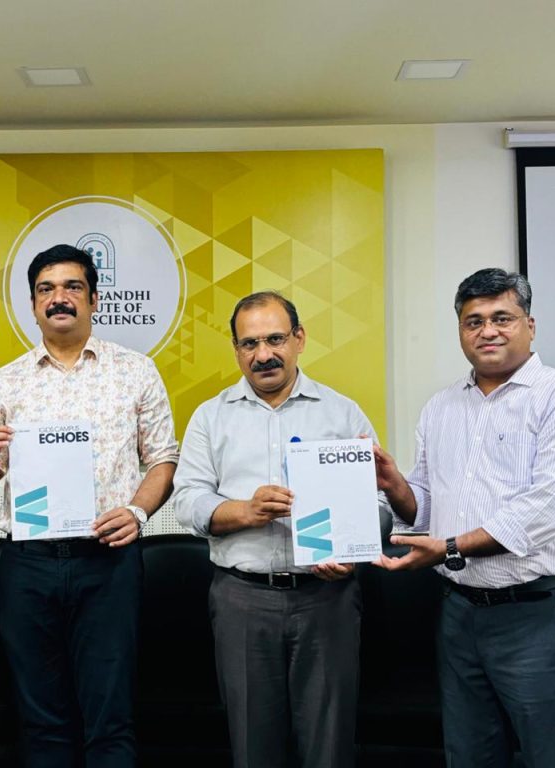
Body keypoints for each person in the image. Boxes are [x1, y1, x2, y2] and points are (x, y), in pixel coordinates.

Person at [0, 243, 178, 768]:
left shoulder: (135, 371)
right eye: (46, 289)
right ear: (33, 305)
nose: (59, 298)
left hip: (108, 562)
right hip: (28, 565)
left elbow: (163, 460)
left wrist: (138, 512)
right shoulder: (7, 381)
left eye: (72, 287)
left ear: (94, 299)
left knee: (111, 716)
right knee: (40, 720)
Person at [374, 268, 555, 768]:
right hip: (459, 614)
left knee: (552, 757)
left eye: (503, 318)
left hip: (535, 614)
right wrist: (395, 487)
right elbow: (426, 506)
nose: (488, 331)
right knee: (469, 755)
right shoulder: (440, 408)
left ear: (530, 326)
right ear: (461, 331)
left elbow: (542, 513)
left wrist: (449, 548)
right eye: (473, 321)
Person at [172, 291, 389, 768]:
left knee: (329, 747)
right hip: (242, 600)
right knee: (253, 748)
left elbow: (379, 505)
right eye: (249, 343)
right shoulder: (211, 416)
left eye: (275, 339)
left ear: (299, 339)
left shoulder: (342, 413)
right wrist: (244, 511)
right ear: (236, 350)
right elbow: (186, 500)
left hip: (327, 599)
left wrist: (350, 549)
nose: (263, 354)